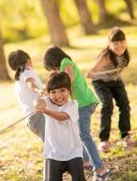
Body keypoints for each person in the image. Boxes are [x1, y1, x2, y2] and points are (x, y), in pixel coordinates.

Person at [44, 46, 111, 181]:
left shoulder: (65, 62)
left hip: (83, 103)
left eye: (54, 69)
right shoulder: (67, 62)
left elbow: (69, 78)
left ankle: (100, 168)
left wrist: (59, 85)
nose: (56, 72)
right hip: (84, 102)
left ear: (53, 61)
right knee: (79, 133)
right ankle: (85, 161)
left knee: (83, 134)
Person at [86, 27, 133, 153]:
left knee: (124, 104)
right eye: (115, 43)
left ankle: (125, 134)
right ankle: (104, 139)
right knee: (107, 105)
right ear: (110, 44)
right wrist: (90, 73)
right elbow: (92, 71)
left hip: (116, 81)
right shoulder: (106, 57)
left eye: (122, 42)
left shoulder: (125, 54)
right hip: (101, 83)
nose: (119, 46)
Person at [34, 72, 85, 181]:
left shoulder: (72, 105)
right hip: (53, 153)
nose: (58, 96)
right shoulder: (48, 102)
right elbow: (37, 101)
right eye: (53, 92)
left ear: (69, 90)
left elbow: (62, 117)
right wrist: (39, 104)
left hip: (73, 152)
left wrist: (46, 111)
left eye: (62, 90)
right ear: (48, 93)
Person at [8, 49, 45, 141]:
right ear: (28, 61)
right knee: (53, 144)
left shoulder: (19, 78)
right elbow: (31, 85)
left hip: (31, 118)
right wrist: (39, 90)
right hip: (38, 115)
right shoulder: (26, 71)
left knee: (52, 144)